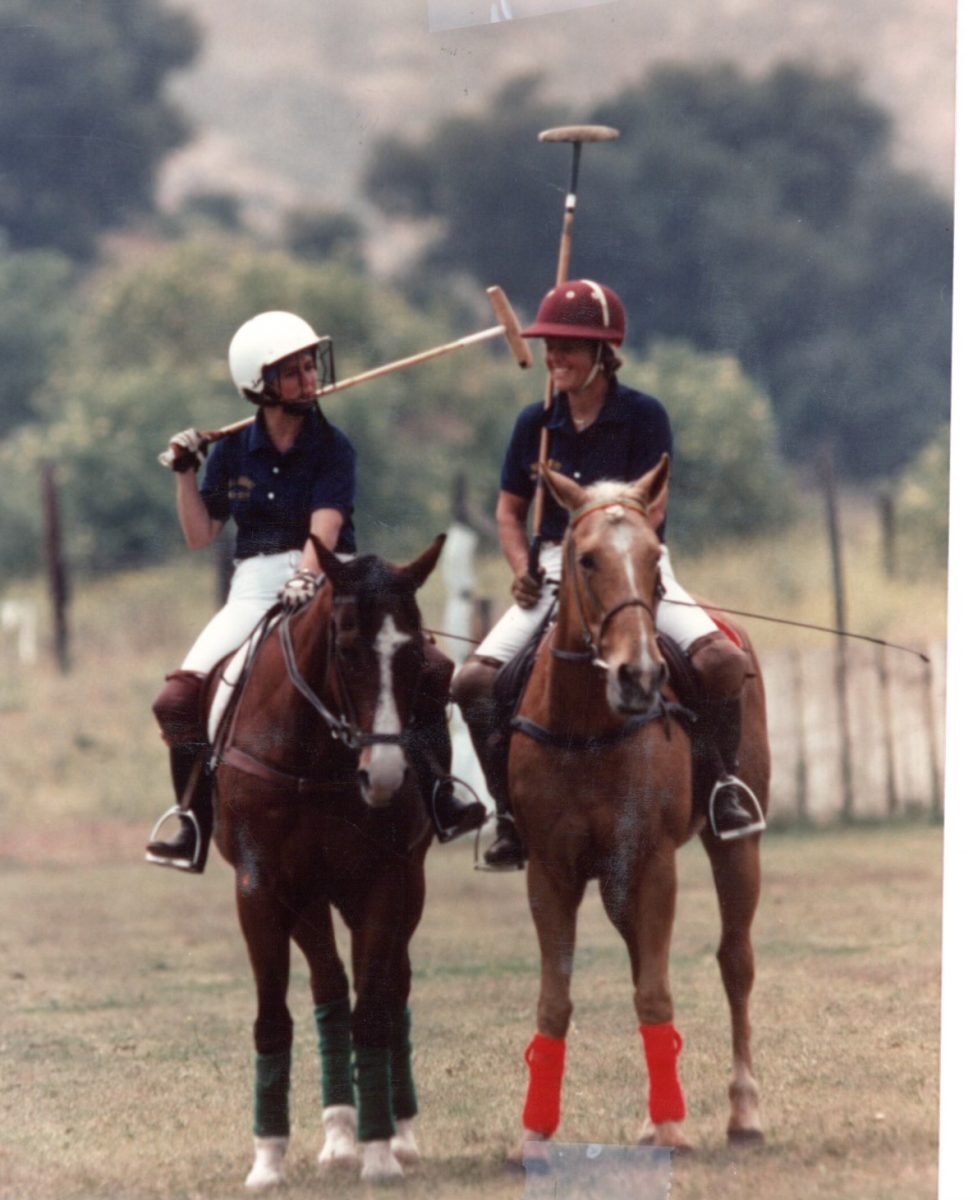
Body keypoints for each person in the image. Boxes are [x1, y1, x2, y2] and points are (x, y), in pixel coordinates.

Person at [145, 310, 484, 872]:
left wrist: (309, 577)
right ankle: (194, 819)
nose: (309, 379)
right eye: (294, 371)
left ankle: (440, 793)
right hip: (253, 588)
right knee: (176, 701)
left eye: (310, 366)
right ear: (260, 385)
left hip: (334, 578)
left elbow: (325, 525)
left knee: (430, 670)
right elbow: (200, 535)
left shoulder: (334, 446)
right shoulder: (230, 452)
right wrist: (185, 473)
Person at [451, 279, 764, 869]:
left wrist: (616, 549)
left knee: (723, 662)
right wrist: (521, 568)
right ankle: (510, 815)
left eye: (569, 345)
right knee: (472, 684)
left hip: (634, 565)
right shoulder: (534, 422)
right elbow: (509, 514)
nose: (554, 357)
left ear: (603, 353)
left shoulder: (644, 416)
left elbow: (655, 509)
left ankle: (722, 784)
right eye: (550, 344)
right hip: (552, 567)